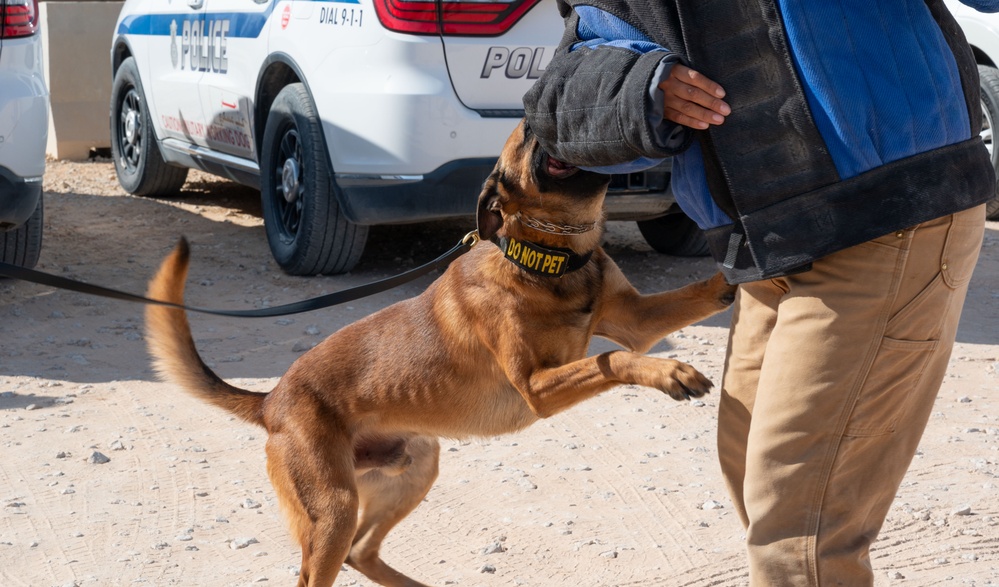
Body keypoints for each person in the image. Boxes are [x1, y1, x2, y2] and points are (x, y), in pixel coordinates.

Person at [522, 1, 998, 584]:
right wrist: (644, 88)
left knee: (800, 534)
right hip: (762, 243)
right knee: (756, 475)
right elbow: (562, 97)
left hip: (889, 210)